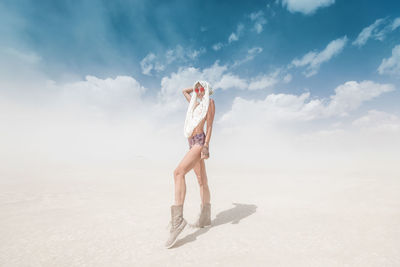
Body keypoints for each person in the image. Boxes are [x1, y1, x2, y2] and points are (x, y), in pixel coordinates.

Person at [165, 80, 216, 249]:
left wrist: (206, 146)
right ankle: (205, 217)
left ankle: (177, 221)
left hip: (199, 143)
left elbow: (209, 127)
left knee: (178, 172)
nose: (199, 91)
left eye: (202, 89)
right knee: (202, 181)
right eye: (198, 89)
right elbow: (184, 91)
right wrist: (196, 87)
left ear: (207, 90)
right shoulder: (194, 103)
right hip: (191, 142)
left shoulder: (210, 104)